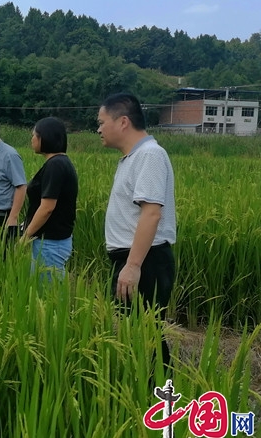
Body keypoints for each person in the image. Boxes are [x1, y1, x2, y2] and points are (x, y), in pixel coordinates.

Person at [97, 93, 176, 369]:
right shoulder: (133, 157)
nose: (99, 129)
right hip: (134, 260)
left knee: (147, 336)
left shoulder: (150, 155)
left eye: (102, 122)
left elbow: (152, 213)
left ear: (123, 122)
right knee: (136, 335)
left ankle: (160, 400)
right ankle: (146, 393)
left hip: (145, 261)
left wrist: (132, 265)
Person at [21, 117, 78, 280]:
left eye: (34, 135)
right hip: (50, 241)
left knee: (48, 296)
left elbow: (47, 208)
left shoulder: (55, 165)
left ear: (44, 138)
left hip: (50, 243)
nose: (32, 139)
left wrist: (25, 237)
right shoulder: (58, 163)